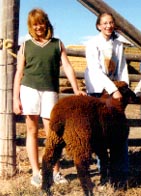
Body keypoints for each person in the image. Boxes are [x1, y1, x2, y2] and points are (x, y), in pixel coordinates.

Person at [13, 8, 86, 187]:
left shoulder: (57, 44)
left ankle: (55, 171)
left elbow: (67, 67)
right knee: (32, 131)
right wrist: (16, 98)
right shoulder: (26, 45)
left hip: (50, 92)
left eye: (41, 23)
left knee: (54, 133)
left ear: (46, 23)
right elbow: (19, 72)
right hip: (29, 89)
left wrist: (76, 89)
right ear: (31, 26)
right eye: (34, 24)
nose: (38, 27)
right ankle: (36, 172)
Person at [84, 12, 129, 188]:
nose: (108, 26)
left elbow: (122, 67)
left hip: (115, 93)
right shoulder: (93, 44)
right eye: (104, 23)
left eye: (111, 23)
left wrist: (123, 87)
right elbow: (95, 70)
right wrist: (113, 89)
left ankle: (121, 174)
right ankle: (104, 175)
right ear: (98, 26)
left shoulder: (118, 44)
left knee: (119, 133)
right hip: (98, 92)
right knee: (101, 135)